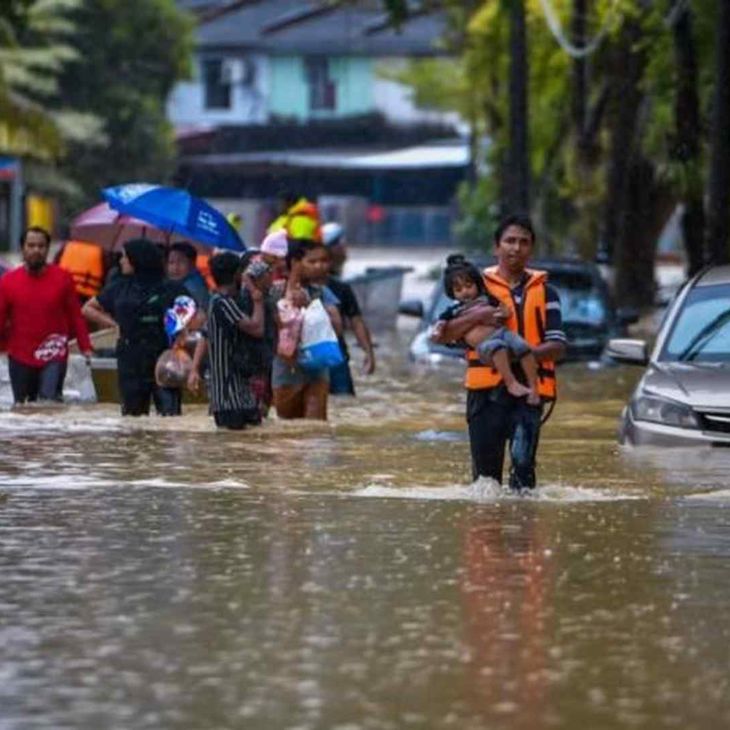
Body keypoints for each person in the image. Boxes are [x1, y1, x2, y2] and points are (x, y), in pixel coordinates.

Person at [431, 214, 566, 490]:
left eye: (523, 242)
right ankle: (487, 529)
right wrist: (480, 316)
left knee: (524, 467)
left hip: (530, 392)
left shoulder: (547, 292)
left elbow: (558, 346)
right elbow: (445, 335)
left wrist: (515, 353)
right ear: (497, 247)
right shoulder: (473, 287)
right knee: (485, 480)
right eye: (510, 241)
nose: (516, 248)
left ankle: (524, 530)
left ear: (532, 248)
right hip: (484, 395)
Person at [82, 238, 189, 416]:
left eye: (125, 257)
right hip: (130, 358)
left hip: (163, 356)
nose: (121, 261)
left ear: (137, 259)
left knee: (170, 414)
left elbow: (196, 313)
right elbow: (87, 308)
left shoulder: (170, 287)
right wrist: (113, 324)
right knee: (133, 415)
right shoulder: (118, 287)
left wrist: (179, 327)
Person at [0, 226, 93, 404]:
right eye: (31, 245)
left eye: (41, 246)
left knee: (49, 402)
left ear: (47, 249)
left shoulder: (63, 278)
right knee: (23, 406)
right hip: (20, 354)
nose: (36, 250)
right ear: (23, 249)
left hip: (54, 353)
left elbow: (75, 315)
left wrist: (85, 346)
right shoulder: (8, 282)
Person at [434, 254, 540, 405]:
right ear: (452, 293)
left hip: (503, 333)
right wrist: (437, 330)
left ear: (477, 284)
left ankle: (534, 389)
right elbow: (441, 323)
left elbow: (503, 308)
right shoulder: (455, 310)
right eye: (458, 289)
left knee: (523, 347)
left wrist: (504, 313)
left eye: (469, 286)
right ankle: (511, 383)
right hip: (485, 344)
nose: (465, 291)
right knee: (498, 348)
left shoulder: (488, 299)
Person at [187, 252, 265, 430]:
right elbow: (257, 328)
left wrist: (194, 369)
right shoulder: (222, 303)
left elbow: (205, 335)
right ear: (237, 274)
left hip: (240, 394)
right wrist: (258, 300)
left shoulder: (220, 302)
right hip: (229, 398)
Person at [271, 238, 342, 420]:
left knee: (315, 428)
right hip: (285, 367)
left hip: (317, 366)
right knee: (288, 431)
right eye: (312, 261)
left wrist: (312, 305)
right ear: (295, 262)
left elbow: (338, 328)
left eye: (323, 261)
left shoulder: (321, 293)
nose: (319, 266)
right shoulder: (273, 292)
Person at [318, 221, 375, 395]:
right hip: (311, 357)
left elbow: (356, 321)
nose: (345, 249)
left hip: (337, 356)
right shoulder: (300, 287)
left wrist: (369, 352)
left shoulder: (341, 288)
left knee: (343, 401)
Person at [166, 241, 210, 312]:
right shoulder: (173, 285)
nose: (175, 267)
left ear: (192, 264)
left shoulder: (194, 288)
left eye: (181, 262)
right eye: (171, 262)